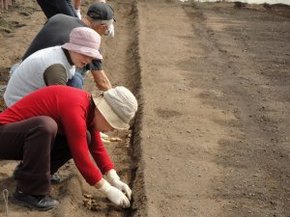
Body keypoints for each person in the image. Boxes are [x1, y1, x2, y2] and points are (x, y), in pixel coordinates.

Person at [0, 85, 138, 210]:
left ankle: (35, 173)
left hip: (21, 140)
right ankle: (28, 191)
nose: (111, 130)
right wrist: (107, 189)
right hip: (4, 137)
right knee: (45, 126)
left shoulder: (89, 109)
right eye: (112, 124)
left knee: (86, 136)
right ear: (104, 112)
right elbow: (81, 158)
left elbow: (97, 147)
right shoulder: (76, 107)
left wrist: (114, 179)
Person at [19, 2, 115, 91]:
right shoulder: (87, 43)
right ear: (102, 26)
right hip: (34, 87)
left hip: (21, 72)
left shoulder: (59, 17)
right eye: (106, 31)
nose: (105, 33)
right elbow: (102, 83)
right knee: (77, 78)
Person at [4, 26, 102, 107]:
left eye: (91, 57)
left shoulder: (65, 54)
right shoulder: (56, 68)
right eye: (85, 54)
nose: (88, 61)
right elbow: (60, 105)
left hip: (31, 95)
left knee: (76, 79)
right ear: (73, 48)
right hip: (18, 105)